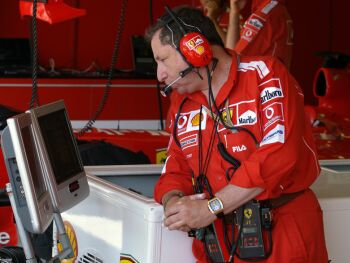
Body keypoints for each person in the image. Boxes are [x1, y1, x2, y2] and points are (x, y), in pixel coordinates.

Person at [145, 6, 328, 263]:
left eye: (162, 59)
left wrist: (211, 208)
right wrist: (173, 201)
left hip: (282, 236)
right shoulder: (181, 102)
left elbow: (278, 154)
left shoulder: (266, 75)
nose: (159, 75)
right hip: (217, 242)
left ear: (195, 48)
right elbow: (176, 165)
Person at [200, 0, 293, 69]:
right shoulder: (275, 9)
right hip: (269, 86)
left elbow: (232, 62)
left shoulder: (264, 15)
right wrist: (234, 10)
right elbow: (232, 51)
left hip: (262, 88)